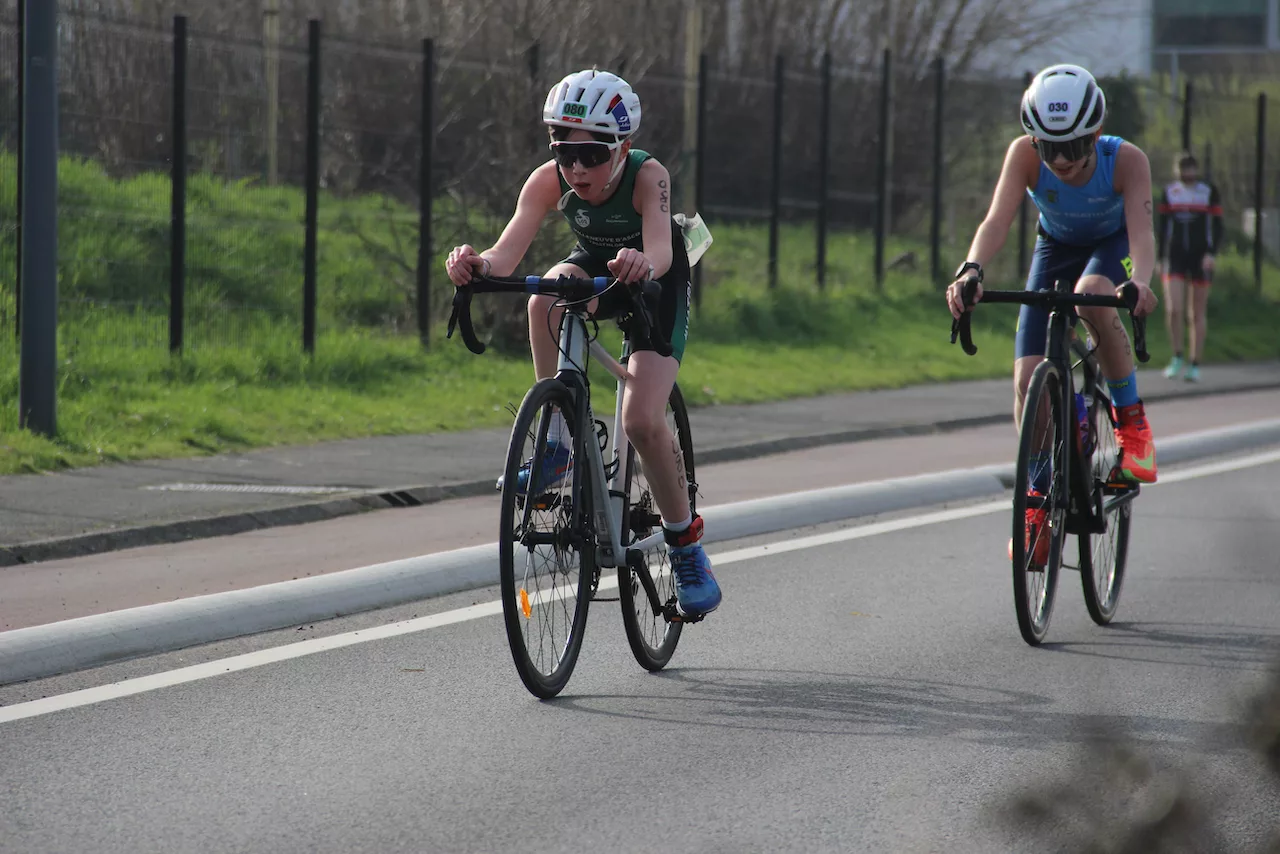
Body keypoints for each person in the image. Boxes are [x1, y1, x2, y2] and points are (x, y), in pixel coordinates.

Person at [444, 69, 720, 618]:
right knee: (544, 297)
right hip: (596, 268)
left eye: (592, 155)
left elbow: (662, 250)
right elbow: (505, 254)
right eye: (564, 153)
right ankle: (560, 440)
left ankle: (687, 547)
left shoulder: (649, 176)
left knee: (641, 421)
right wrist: (475, 264)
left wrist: (643, 263)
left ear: (623, 148)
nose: (576, 169)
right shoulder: (546, 180)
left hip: (655, 281)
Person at [945, 64, 1160, 564]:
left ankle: (1133, 426)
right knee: (1027, 381)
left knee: (1091, 294)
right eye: (1049, 147)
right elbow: (996, 220)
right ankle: (1039, 506)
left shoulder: (1127, 160)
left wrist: (1142, 282)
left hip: (1113, 247)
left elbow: (1143, 234)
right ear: (1034, 140)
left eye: (1073, 146)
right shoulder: (1023, 155)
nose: (1060, 160)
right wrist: (971, 269)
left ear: (1096, 134)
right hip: (1055, 247)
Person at [1157, 152, 1223, 382]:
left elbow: (1217, 226)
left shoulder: (1208, 191)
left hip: (1200, 257)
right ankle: (1177, 355)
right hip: (1175, 256)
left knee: (1196, 313)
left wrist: (1211, 253)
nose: (1187, 173)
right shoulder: (1169, 192)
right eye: (1183, 168)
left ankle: (1195, 363)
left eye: (1190, 168)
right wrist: (1160, 257)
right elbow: (1162, 227)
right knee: (1173, 309)